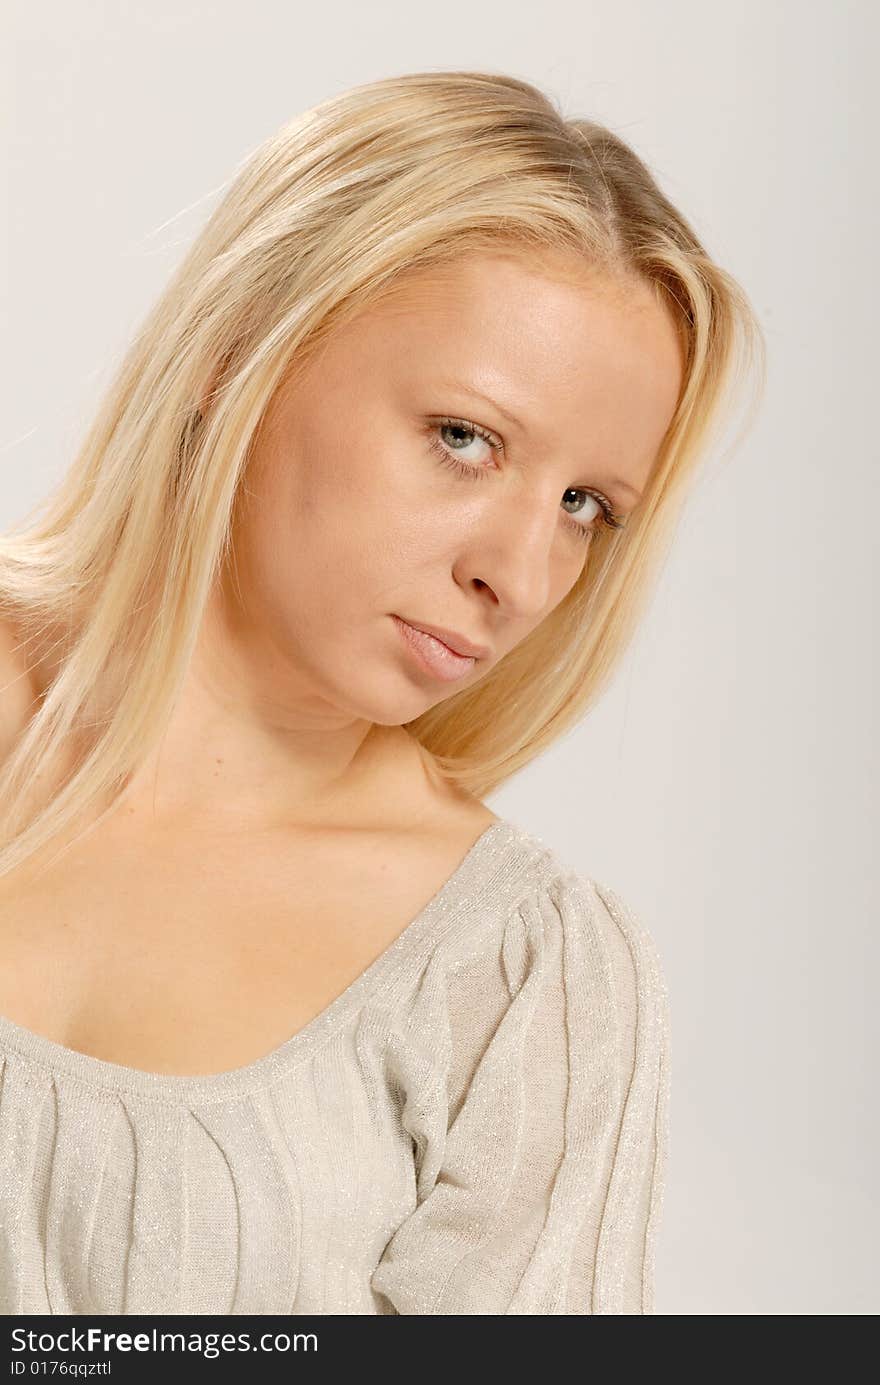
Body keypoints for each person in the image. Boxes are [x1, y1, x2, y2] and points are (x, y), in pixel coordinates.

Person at [0, 70, 763, 1315]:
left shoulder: (521, 978)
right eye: (466, 436)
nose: (517, 575)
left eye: (586, 506)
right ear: (239, 345)